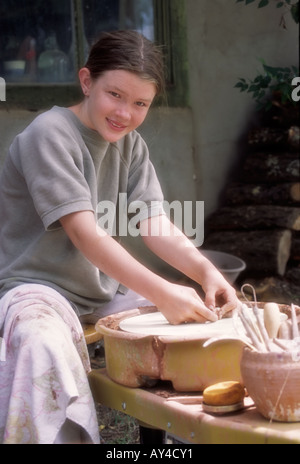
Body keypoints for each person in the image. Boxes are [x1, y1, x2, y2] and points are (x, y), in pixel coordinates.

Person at [0, 30, 238, 444]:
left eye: (140, 103)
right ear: (87, 81)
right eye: (115, 94)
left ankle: (168, 443)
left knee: (197, 329)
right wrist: (163, 291)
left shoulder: (131, 145)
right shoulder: (50, 133)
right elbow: (85, 234)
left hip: (99, 291)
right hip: (36, 288)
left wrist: (204, 273)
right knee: (40, 344)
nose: (125, 113)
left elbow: (156, 224)